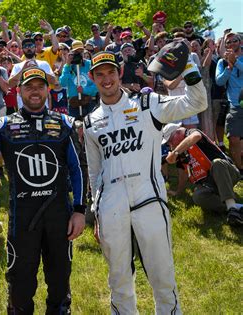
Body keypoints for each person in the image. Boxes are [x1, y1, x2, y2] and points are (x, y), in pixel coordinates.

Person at [83, 44, 207, 313]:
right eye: (100, 74)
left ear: (121, 72)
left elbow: (197, 102)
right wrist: (97, 212)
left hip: (149, 199)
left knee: (162, 276)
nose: (106, 79)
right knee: (119, 279)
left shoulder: (147, 104)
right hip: (111, 207)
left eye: (111, 72)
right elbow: (95, 172)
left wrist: (188, 68)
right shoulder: (90, 121)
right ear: (92, 78)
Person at [0, 67, 87, 313]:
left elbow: (78, 170)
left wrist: (79, 210)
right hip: (23, 217)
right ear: (19, 91)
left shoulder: (63, 123)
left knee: (59, 282)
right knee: (20, 285)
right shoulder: (2, 125)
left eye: (39, 86)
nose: (35, 91)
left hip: (59, 217)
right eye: (29, 87)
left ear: (47, 90)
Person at [162, 123, 243, 225]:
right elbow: (183, 174)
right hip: (211, 184)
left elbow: (196, 136)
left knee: (217, 163)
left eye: (170, 141)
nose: (170, 145)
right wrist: (178, 192)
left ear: (178, 133)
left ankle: (233, 210)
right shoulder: (182, 150)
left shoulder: (191, 133)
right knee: (198, 196)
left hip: (228, 173)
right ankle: (237, 208)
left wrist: (175, 152)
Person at [215, 32, 243, 173]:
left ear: (240, 42)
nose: (231, 44)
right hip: (234, 104)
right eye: (228, 42)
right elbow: (219, 81)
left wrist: (236, 62)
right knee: (233, 139)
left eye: (234, 41)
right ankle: (240, 169)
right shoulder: (222, 62)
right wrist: (229, 67)